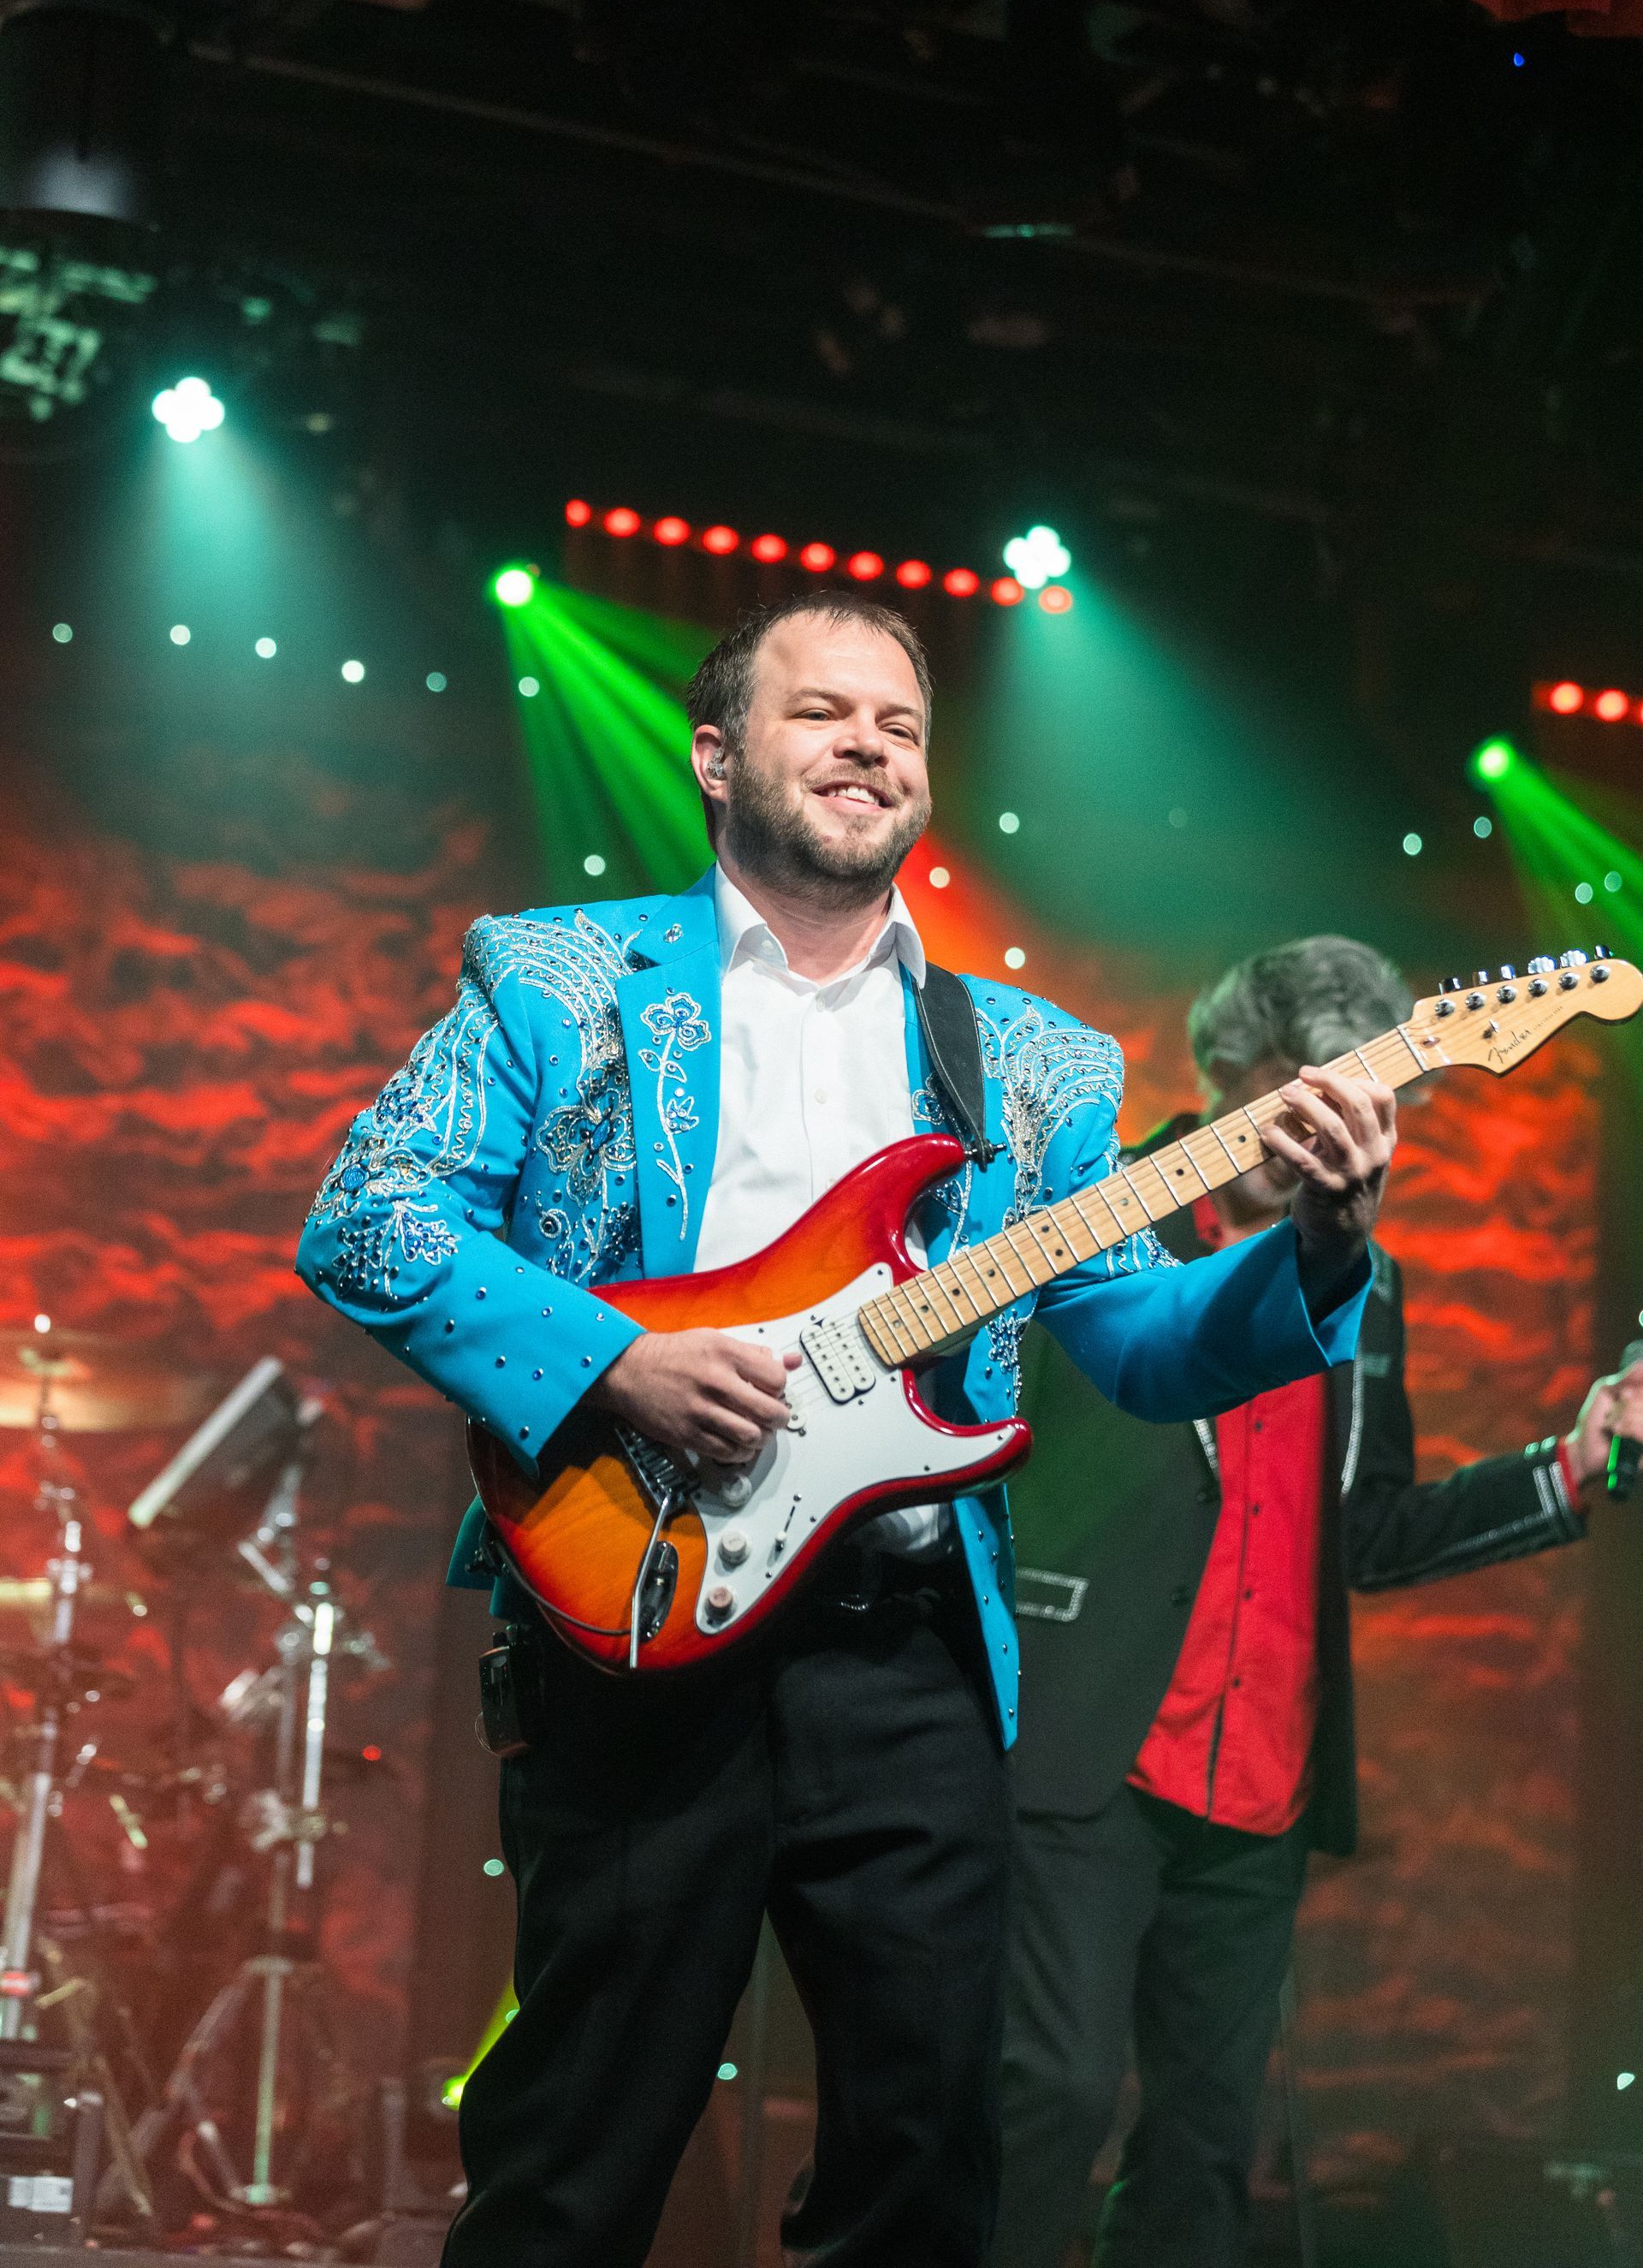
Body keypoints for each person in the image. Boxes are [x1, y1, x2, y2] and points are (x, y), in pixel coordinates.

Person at [297, 595, 1397, 2268]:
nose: (871, 744)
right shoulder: (560, 976)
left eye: (902, 723)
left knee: (925, 2167)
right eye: (824, 713)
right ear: (718, 753)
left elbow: (1144, 1341)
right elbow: (369, 1216)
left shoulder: (1027, 1065)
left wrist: (1318, 1251)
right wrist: (608, 1364)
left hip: (910, 1657)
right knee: (580, 2156)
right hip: (638, 1618)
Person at [994, 935, 1630, 2268]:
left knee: (1210, 2153)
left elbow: (1371, 1531)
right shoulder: (1100, 1206)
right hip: (1087, 1746)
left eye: (1368, 1092)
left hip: (1259, 1782)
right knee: (1043, 2101)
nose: (1340, 1120)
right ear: (1232, 1070)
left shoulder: (1365, 1279)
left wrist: (1570, 1469)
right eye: (1307, 1082)